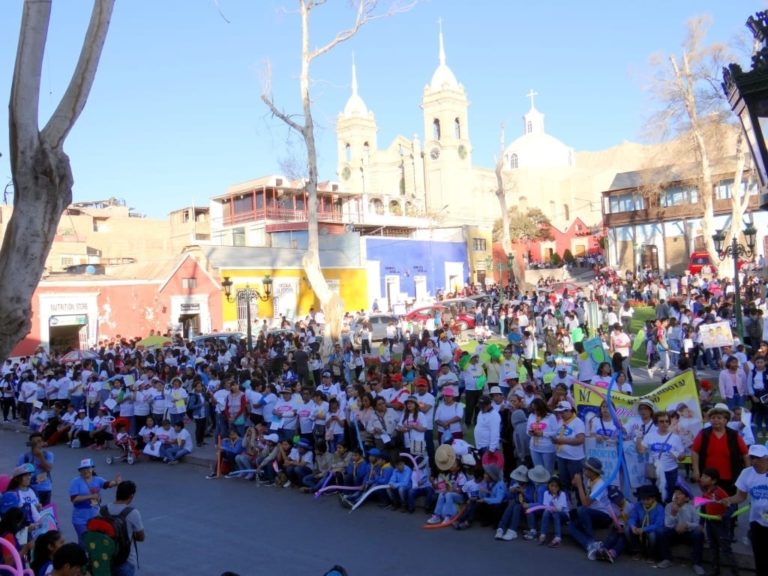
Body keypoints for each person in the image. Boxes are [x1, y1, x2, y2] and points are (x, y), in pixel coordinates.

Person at [725, 443, 768, 575]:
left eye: (758, 458)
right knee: (760, 556)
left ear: (766, 458)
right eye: (752, 457)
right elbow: (740, 496)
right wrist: (728, 500)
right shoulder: (746, 473)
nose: (754, 461)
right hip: (757, 521)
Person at [691, 403, 749, 495]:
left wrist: (748, 472)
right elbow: (695, 452)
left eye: (719, 418)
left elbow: (745, 454)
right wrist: (696, 470)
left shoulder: (734, 435)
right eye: (713, 418)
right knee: (710, 502)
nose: (715, 420)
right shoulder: (703, 434)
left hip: (729, 477)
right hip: (708, 478)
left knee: (729, 502)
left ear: (725, 420)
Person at [568, 457, 614, 560]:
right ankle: (589, 544)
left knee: (582, 510)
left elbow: (585, 504)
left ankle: (591, 540)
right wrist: (576, 485)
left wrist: (579, 485)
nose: (584, 470)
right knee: (571, 526)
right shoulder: (590, 481)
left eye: (586, 469)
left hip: (604, 516)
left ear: (592, 472)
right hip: (591, 514)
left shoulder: (600, 484)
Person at [68, 458, 120, 543]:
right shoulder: (75, 482)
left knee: (95, 542)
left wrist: (116, 482)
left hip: (95, 515)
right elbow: (74, 499)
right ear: (80, 471)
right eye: (83, 469)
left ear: (92, 469)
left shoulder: (97, 479)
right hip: (80, 518)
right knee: (85, 541)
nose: (86, 471)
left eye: (88, 468)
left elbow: (107, 484)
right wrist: (90, 496)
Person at [656, 485, 705, 573]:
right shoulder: (669, 506)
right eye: (675, 493)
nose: (676, 495)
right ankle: (667, 559)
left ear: (686, 498)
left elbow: (698, 524)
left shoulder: (693, 507)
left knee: (698, 534)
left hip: (688, 533)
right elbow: (667, 524)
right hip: (674, 533)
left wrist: (686, 525)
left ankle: (696, 564)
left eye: (680, 494)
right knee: (661, 531)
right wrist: (673, 514)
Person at [104, 480, 145, 576]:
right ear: (131, 496)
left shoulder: (103, 510)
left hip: (106, 559)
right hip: (126, 560)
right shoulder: (132, 513)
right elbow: (141, 537)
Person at [18, 432, 54, 506]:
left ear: (43, 443)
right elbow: (18, 474)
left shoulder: (48, 455)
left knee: (44, 512)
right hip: (29, 489)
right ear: (31, 443)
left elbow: (48, 468)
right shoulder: (24, 456)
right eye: (35, 442)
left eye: (40, 441)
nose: (37, 444)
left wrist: (40, 456)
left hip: (45, 489)